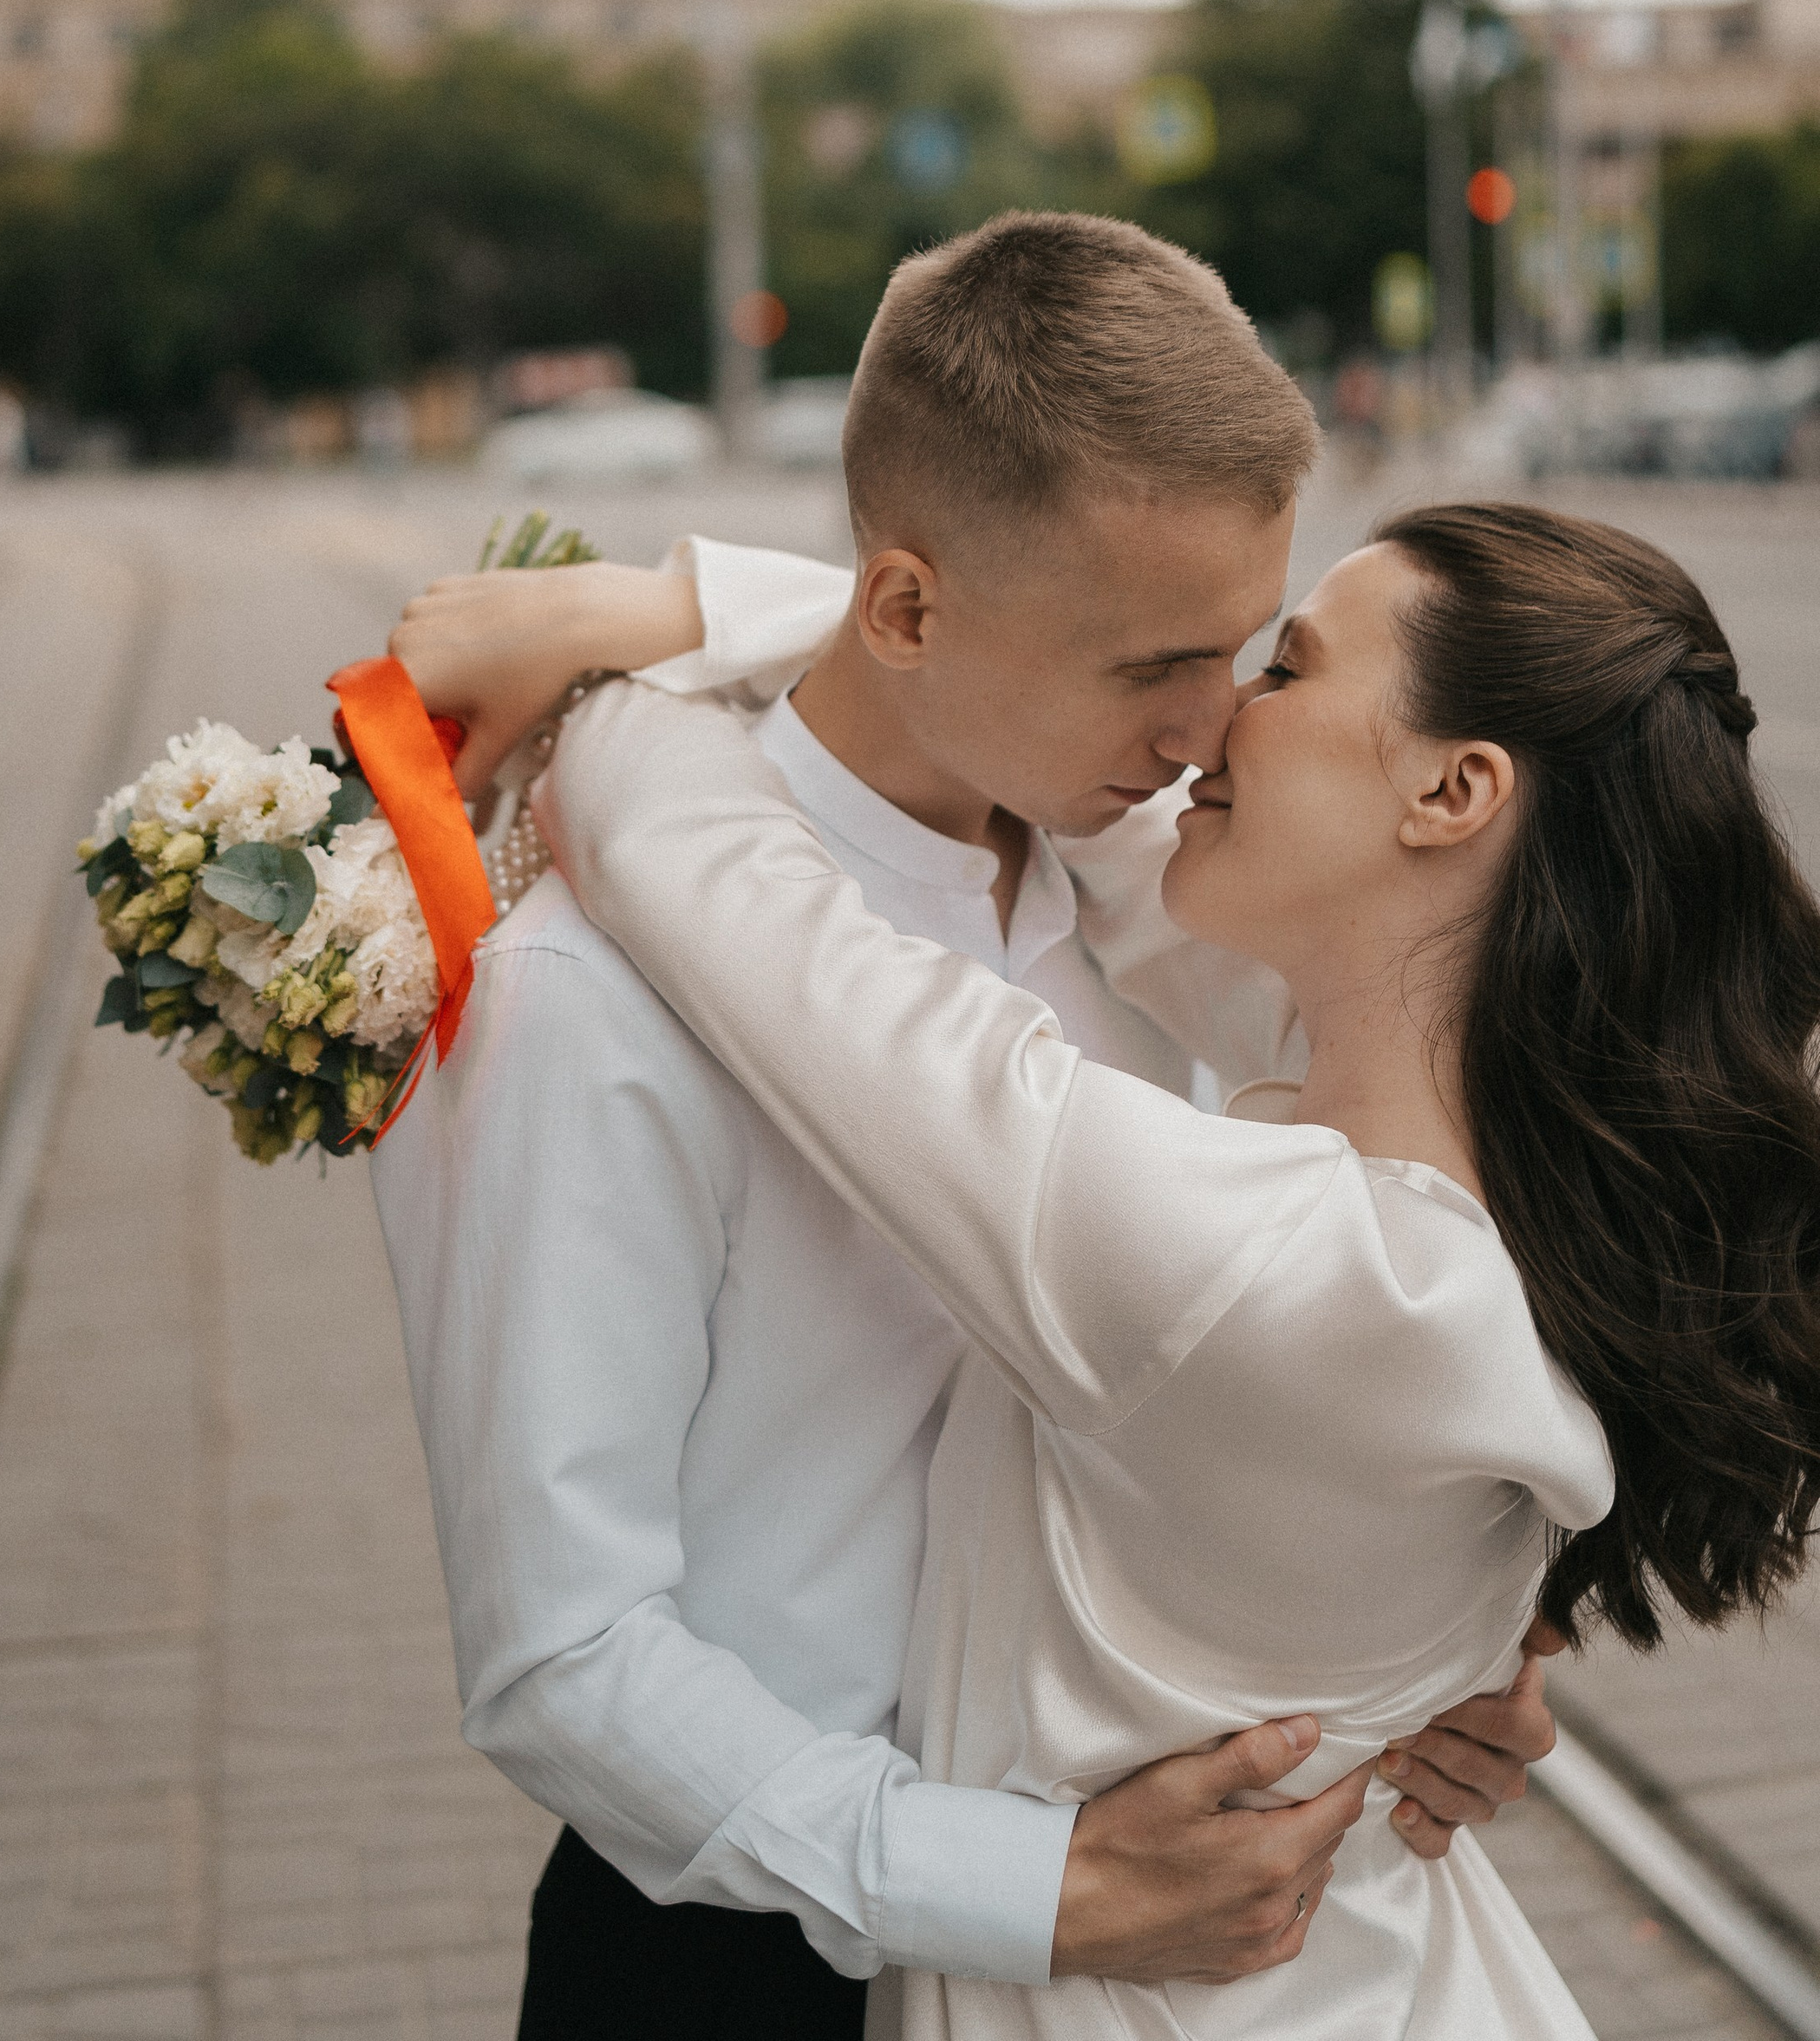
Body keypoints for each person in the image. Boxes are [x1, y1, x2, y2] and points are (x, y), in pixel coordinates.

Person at [378, 214, 1559, 2037]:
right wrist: (1031, 1892)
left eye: (1239, 651)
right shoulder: (588, 995)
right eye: (1146, 664)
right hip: (751, 1958)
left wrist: (1443, 1649)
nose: (1205, 734)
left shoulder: (1152, 899)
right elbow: (561, 1656)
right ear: (910, 607)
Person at [522, 488, 1820, 2038]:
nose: (1206, 724)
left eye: (1283, 670)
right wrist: (712, 600)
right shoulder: (1527, 1167)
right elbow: (1054, 736)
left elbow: (697, 874)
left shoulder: (1261, 1269)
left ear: (1456, 789)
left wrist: (610, 668)